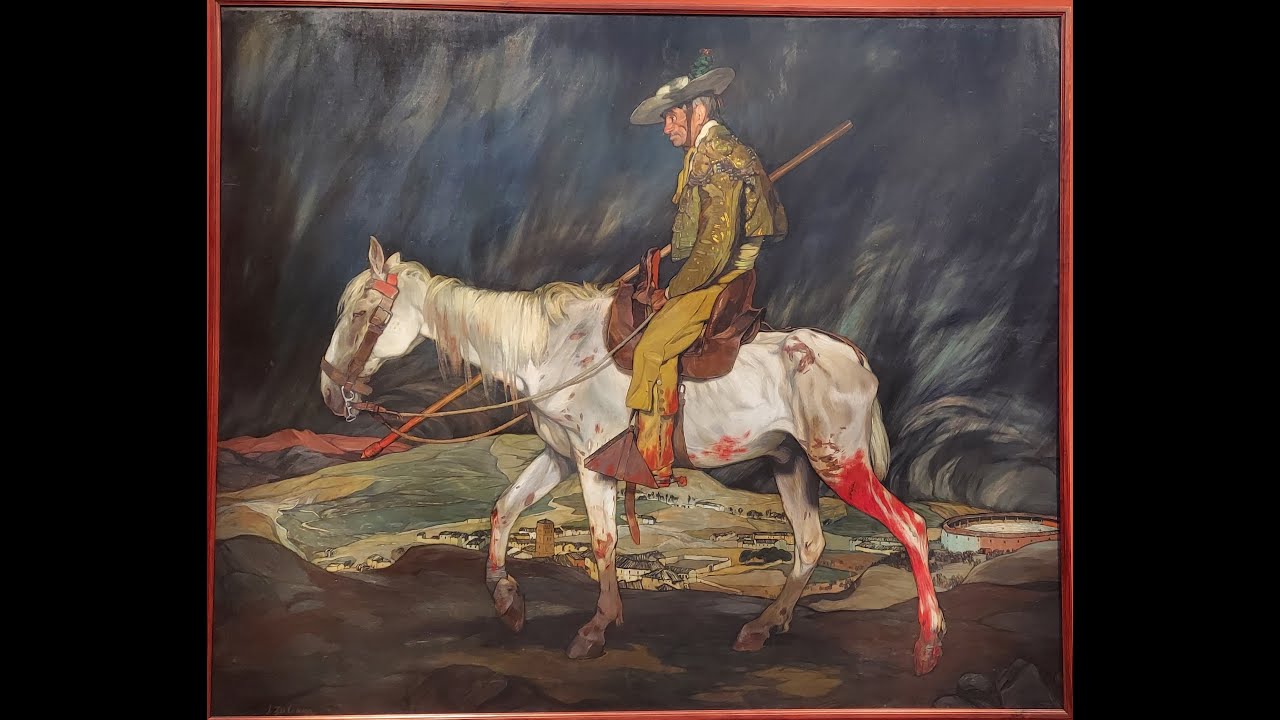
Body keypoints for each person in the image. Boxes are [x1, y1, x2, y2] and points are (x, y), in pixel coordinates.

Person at [620, 49, 788, 484]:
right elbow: (697, 237)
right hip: (710, 272)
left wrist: (671, 292)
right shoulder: (706, 154)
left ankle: (652, 456)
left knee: (651, 347)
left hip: (720, 278)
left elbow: (714, 249)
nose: (666, 127)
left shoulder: (718, 158)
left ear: (698, 110)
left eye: (671, 117)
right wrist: (666, 263)